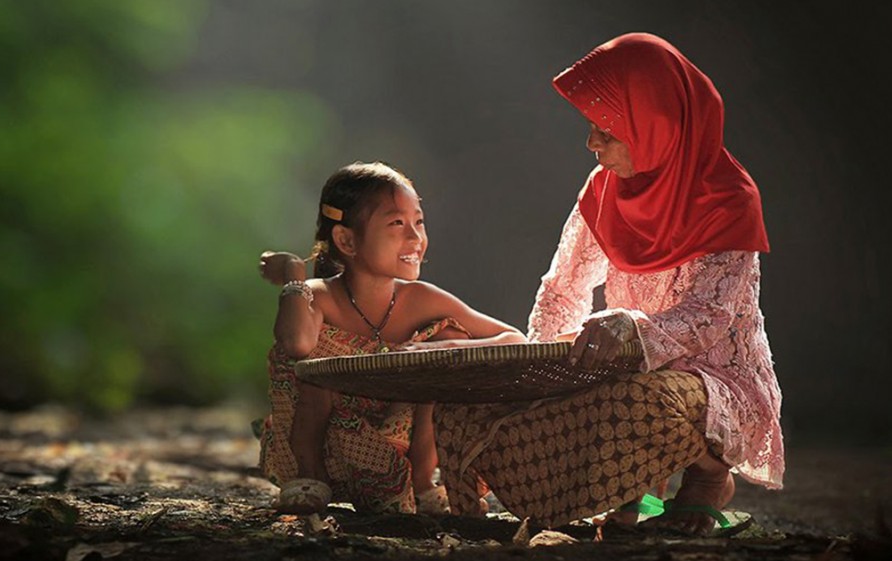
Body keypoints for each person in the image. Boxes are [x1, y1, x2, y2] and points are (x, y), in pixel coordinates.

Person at [432, 33, 783, 536]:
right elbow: (564, 289)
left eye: (607, 131)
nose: (591, 144)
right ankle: (634, 484)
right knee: (504, 403)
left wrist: (631, 328)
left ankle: (707, 476)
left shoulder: (727, 199)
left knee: (637, 402)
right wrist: (539, 369)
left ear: (658, 129)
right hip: (624, 365)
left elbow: (711, 315)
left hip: (710, 376)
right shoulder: (602, 190)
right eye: (592, 128)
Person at [258, 161, 526, 515]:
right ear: (346, 240)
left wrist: (448, 349)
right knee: (316, 361)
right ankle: (309, 476)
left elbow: (515, 339)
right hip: (334, 448)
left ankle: (422, 484)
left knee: (444, 338)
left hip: (398, 444)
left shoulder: (422, 299)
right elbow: (295, 344)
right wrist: (294, 275)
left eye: (419, 222)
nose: (415, 238)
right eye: (397, 224)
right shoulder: (318, 295)